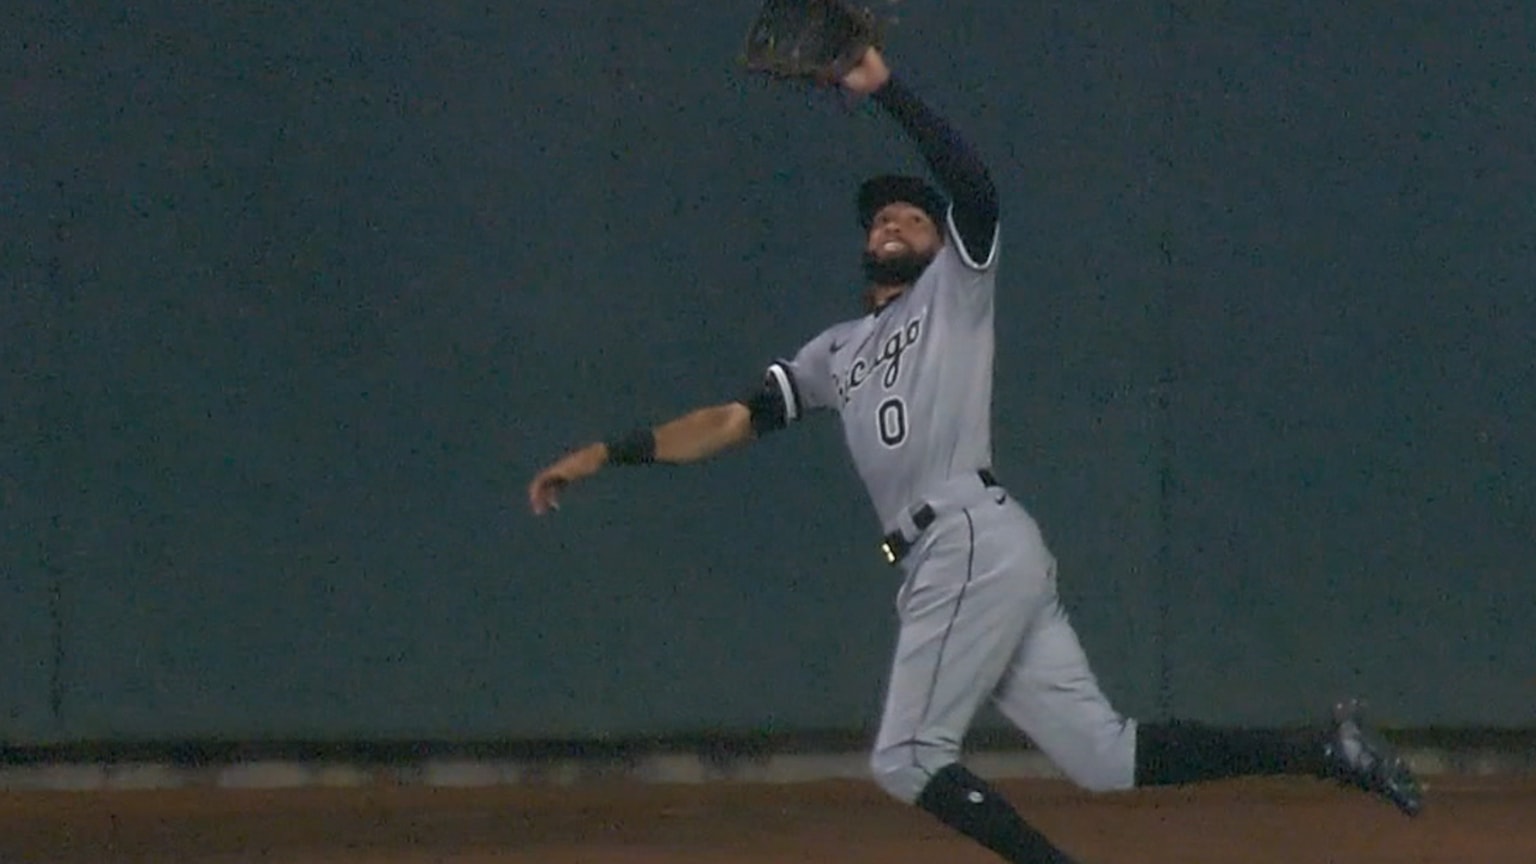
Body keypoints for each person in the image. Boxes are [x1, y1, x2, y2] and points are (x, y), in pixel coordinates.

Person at [527, 47, 1421, 864]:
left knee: (908, 757)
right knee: (1104, 756)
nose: (894, 219)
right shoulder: (833, 351)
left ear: (935, 238)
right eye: (881, 214)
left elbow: (977, 190)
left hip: (962, 539)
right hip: (972, 554)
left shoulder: (956, 290)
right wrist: (609, 453)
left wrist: (884, 91)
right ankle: (1324, 747)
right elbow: (731, 419)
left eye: (912, 212)